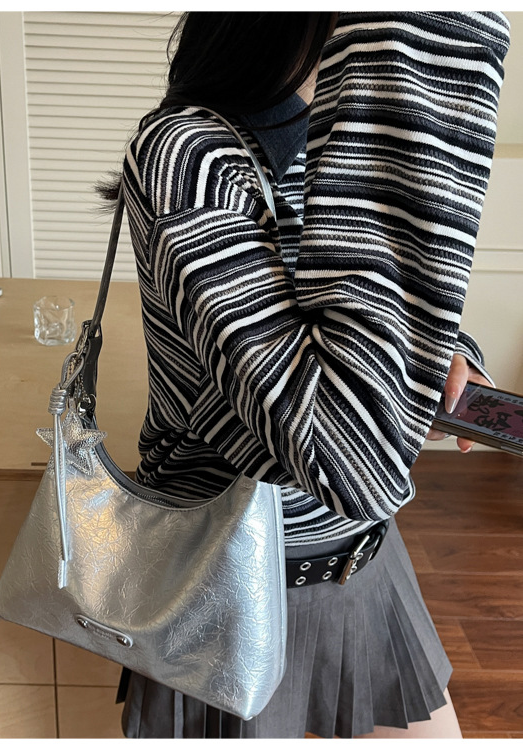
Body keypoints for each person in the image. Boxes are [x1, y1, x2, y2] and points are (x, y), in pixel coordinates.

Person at [101, 11, 510, 739]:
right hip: (230, 584)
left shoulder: (335, 133)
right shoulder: (187, 155)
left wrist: (445, 354)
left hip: (360, 558)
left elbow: (378, 310)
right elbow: (341, 450)